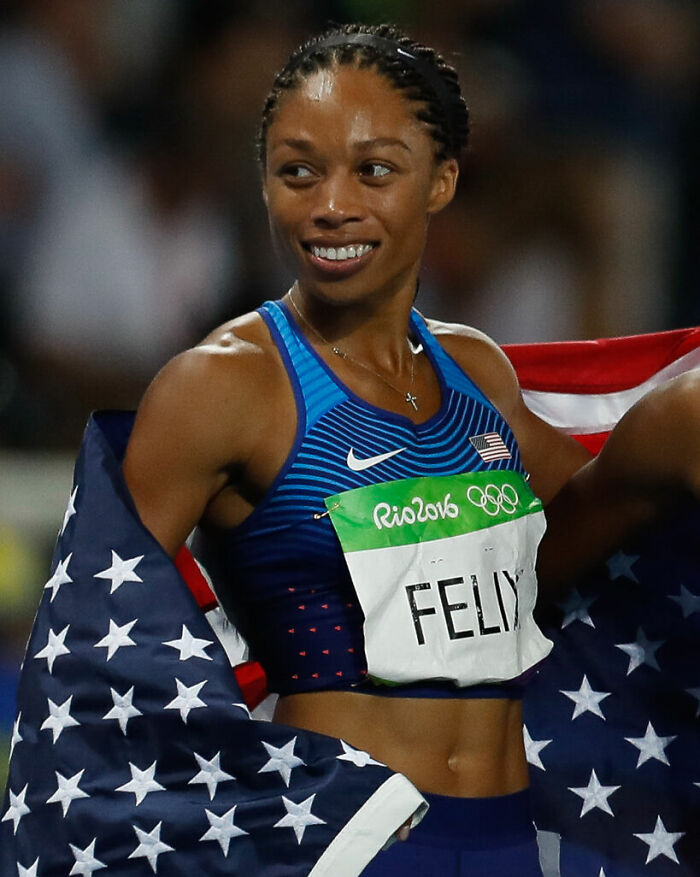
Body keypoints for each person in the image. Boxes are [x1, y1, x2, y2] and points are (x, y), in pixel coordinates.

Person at [120, 23, 700, 876]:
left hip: (504, 838)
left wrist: (669, 429)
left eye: (374, 169)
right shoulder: (224, 386)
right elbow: (103, 628)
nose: (331, 205)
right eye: (298, 172)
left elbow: (581, 544)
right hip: (336, 840)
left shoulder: (476, 377)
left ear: (442, 182)